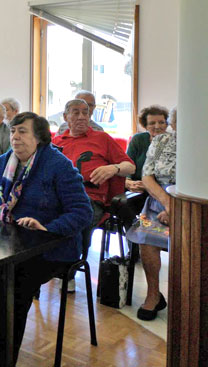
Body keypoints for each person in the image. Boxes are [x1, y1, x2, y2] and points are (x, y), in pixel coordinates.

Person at [0, 112, 92, 363]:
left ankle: (0, 356)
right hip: (3, 241)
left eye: (23, 132)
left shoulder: (58, 166)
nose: (15, 137)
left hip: (49, 245)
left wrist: (47, 227)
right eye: (13, 131)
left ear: (39, 137)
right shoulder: (1, 163)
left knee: (13, 284)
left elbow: (83, 212)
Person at [53, 98, 135, 291]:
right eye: (76, 112)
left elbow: (130, 166)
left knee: (76, 218)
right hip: (59, 196)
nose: (82, 116)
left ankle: (68, 270)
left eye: (85, 112)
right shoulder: (56, 142)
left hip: (90, 197)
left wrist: (113, 168)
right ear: (66, 117)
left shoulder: (102, 139)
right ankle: (43, 264)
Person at [127, 107, 176, 321]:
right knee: (146, 239)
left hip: (188, 202)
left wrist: (176, 207)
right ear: (173, 123)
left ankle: (187, 297)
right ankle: (153, 295)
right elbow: (147, 177)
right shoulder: (160, 142)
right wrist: (167, 204)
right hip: (159, 200)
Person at [125, 105, 169, 192]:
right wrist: (128, 181)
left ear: (167, 124)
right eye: (152, 123)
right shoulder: (138, 139)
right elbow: (127, 162)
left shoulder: (172, 142)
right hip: (136, 188)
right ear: (145, 126)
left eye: (161, 122)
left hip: (161, 189)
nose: (157, 126)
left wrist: (149, 186)